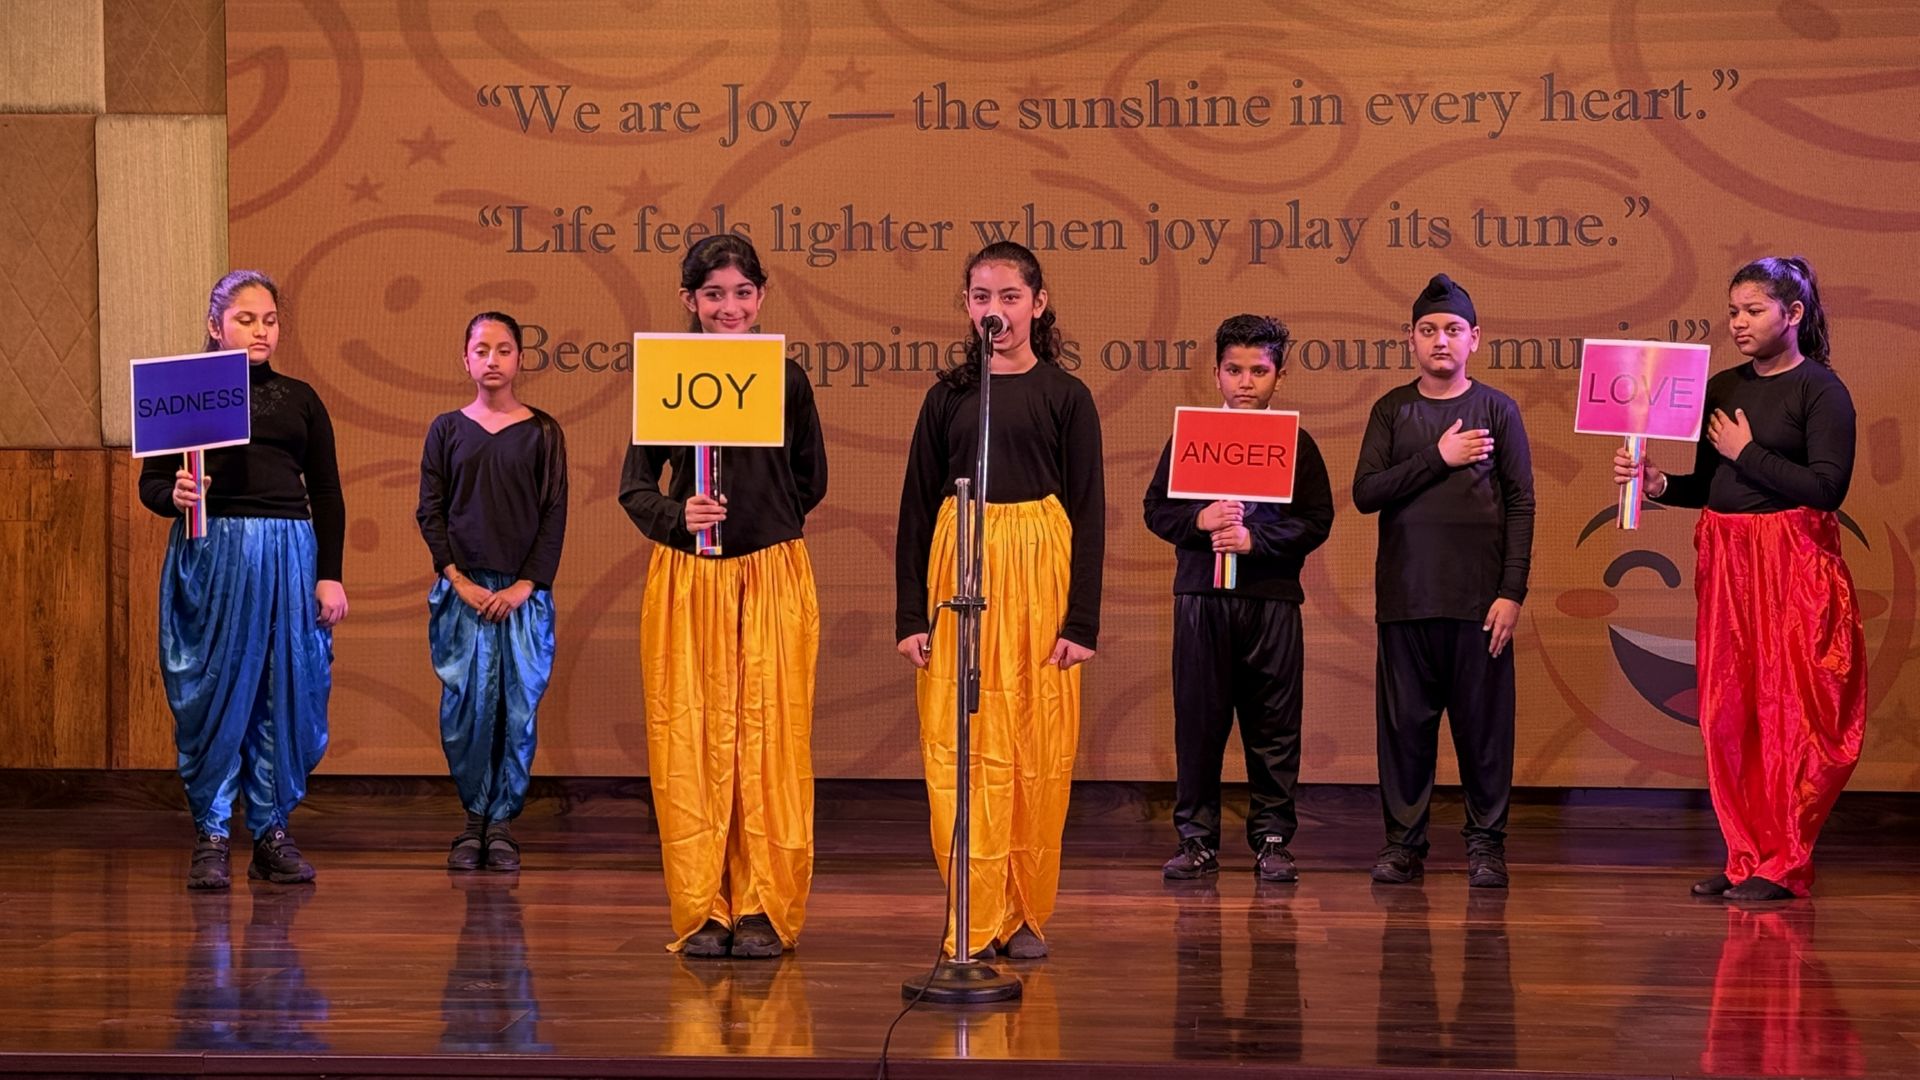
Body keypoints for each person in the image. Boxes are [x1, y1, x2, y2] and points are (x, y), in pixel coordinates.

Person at [1614, 256, 1864, 902]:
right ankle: (1745, 855)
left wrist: (1747, 452)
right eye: (1733, 312)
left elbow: (1827, 489)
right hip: (1727, 561)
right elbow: (1710, 483)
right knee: (1730, 711)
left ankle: (1786, 861)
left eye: (1753, 310)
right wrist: (1659, 484)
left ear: (1794, 313)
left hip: (1791, 562)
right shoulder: (1723, 387)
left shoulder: (1821, 391)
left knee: (1791, 712)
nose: (1739, 323)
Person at [895, 241, 1104, 959]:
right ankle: (972, 913)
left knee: (1033, 747)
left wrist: (1081, 620)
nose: (996, 310)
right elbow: (916, 508)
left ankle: (1021, 911)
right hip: (962, 576)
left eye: (1010, 296)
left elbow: (1090, 512)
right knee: (964, 746)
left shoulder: (1066, 397)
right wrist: (909, 616)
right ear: (967, 306)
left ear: (1038, 304)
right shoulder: (949, 398)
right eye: (982, 297)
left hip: (1039, 580)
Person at [620, 235, 827, 957]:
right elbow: (635, 487)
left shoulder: (787, 379)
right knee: (695, 740)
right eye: (714, 294)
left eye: (742, 293)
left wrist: (763, 520)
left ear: (761, 296)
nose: (729, 307)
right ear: (690, 300)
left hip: (770, 575)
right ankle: (705, 905)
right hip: (691, 580)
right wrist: (679, 516)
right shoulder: (667, 373)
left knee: (770, 740)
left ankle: (764, 904)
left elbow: (810, 478)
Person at [138, 270, 347, 889]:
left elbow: (327, 492)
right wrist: (173, 496)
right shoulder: (184, 390)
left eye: (270, 320)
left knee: (283, 689)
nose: (261, 331)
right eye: (246, 319)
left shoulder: (301, 398)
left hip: (288, 553)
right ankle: (211, 833)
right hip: (214, 553)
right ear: (215, 325)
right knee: (216, 692)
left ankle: (271, 832)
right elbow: (154, 484)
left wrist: (329, 576)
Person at [1353, 273, 1534, 889]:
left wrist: (1511, 592)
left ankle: (1486, 846)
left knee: (1484, 733)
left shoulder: (1497, 409)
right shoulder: (1392, 410)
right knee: (1406, 732)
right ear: (1410, 339)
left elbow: (1521, 504)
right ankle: (1403, 845)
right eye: (1428, 330)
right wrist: (1439, 457)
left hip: (1480, 602)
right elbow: (1366, 493)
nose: (1440, 340)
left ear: (1474, 339)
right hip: (1406, 599)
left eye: (1453, 330)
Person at [1145, 314, 1333, 883]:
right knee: (1198, 722)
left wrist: (1256, 541)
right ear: (1217, 373)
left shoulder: (1296, 444)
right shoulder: (1191, 438)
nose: (1245, 382)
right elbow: (1156, 510)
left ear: (1279, 376)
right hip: (1202, 598)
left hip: (1270, 600)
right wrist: (1198, 520)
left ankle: (1272, 839)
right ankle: (1196, 839)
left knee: (1274, 724)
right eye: (1234, 370)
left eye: (1259, 371)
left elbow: (1316, 520)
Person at [417, 311, 568, 873]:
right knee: (468, 711)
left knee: (515, 710)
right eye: (481, 350)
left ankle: (502, 822)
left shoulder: (544, 432)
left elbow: (554, 513)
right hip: (465, 594)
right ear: (465, 360)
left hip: (522, 598)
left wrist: (527, 584)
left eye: (503, 349)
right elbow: (431, 511)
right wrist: (458, 580)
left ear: (520, 359)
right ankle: (473, 819)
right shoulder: (446, 430)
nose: (492, 360)